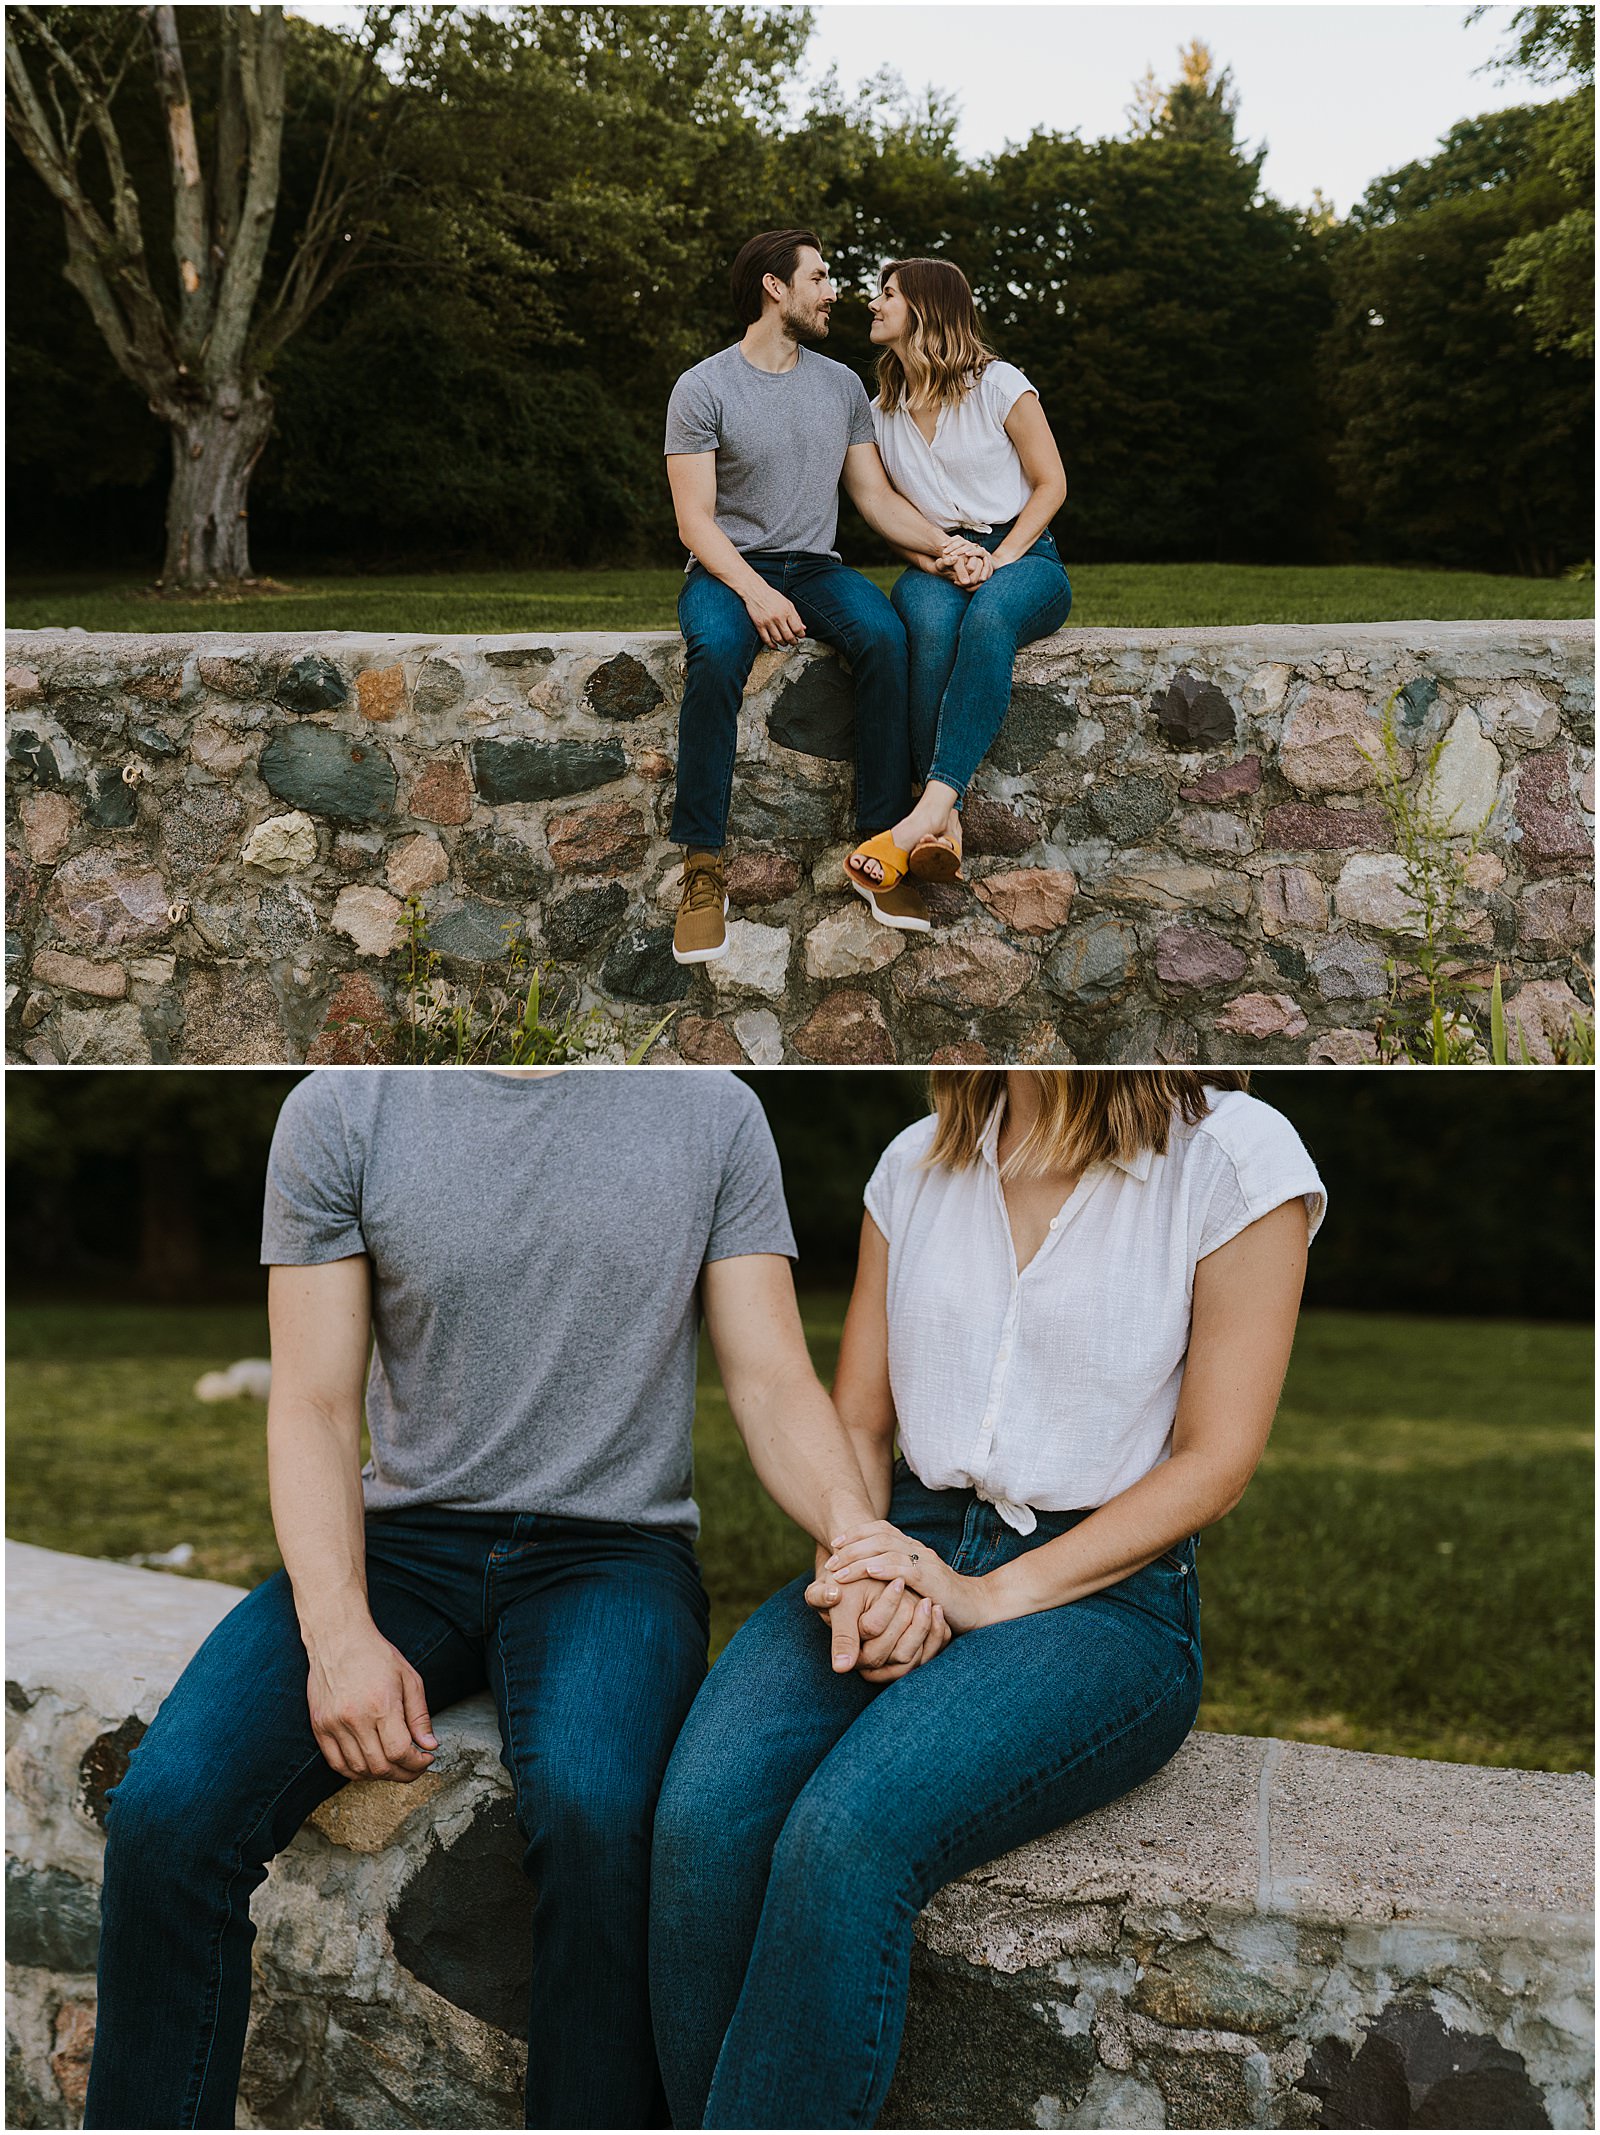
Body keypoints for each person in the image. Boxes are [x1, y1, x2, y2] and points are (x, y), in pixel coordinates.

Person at [83, 1067, 921, 2132]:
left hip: (612, 1551)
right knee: (167, 1811)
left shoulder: (713, 1109)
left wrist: (857, 1538)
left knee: (599, 1815)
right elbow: (313, 1400)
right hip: (399, 1542)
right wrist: (338, 1632)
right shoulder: (347, 1106)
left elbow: (768, 1378)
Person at [649, 1067, 1326, 2129]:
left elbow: (1214, 1460)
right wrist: (865, 1563)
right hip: (896, 1540)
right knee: (701, 1814)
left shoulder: (1235, 1158)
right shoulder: (914, 1162)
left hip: (1103, 1598)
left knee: (847, 1834)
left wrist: (982, 1595)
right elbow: (861, 1421)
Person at [664, 228, 991, 962]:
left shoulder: (842, 384)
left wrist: (947, 546)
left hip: (816, 567)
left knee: (884, 635)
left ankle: (882, 847)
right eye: (818, 277)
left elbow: (873, 496)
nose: (833, 290)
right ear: (775, 288)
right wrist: (752, 592)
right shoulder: (703, 386)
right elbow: (694, 521)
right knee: (716, 653)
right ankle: (701, 868)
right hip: (728, 567)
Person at [845, 259, 1073, 893]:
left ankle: (922, 813)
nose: (873, 303)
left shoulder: (1000, 385)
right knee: (927, 625)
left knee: (991, 616)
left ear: (925, 307)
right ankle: (948, 826)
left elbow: (1051, 484)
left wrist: (996, 560)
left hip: (1025, 555)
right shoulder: (877, 411)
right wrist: (941, 556)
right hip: (934, 559)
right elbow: (886, 512)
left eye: (887, 294)